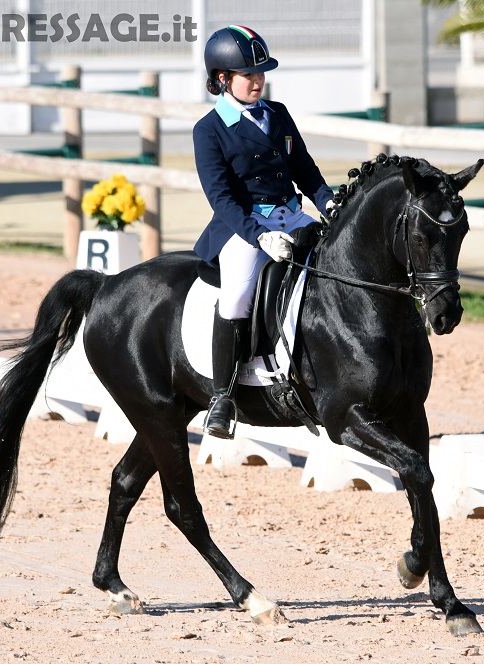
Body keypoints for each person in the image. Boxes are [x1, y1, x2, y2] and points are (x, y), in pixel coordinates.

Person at [193, 25, 333, 439]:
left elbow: (304, 168)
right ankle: (222, 397)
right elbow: (221, 198)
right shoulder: (209, 130)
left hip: (293, 216)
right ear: (222, 79)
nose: (258, 81)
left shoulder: (278, 113)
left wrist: (328, 203)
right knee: (237, 295)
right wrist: (259, 236)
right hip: (244, 226)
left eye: (261, 73)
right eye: (248, 74)